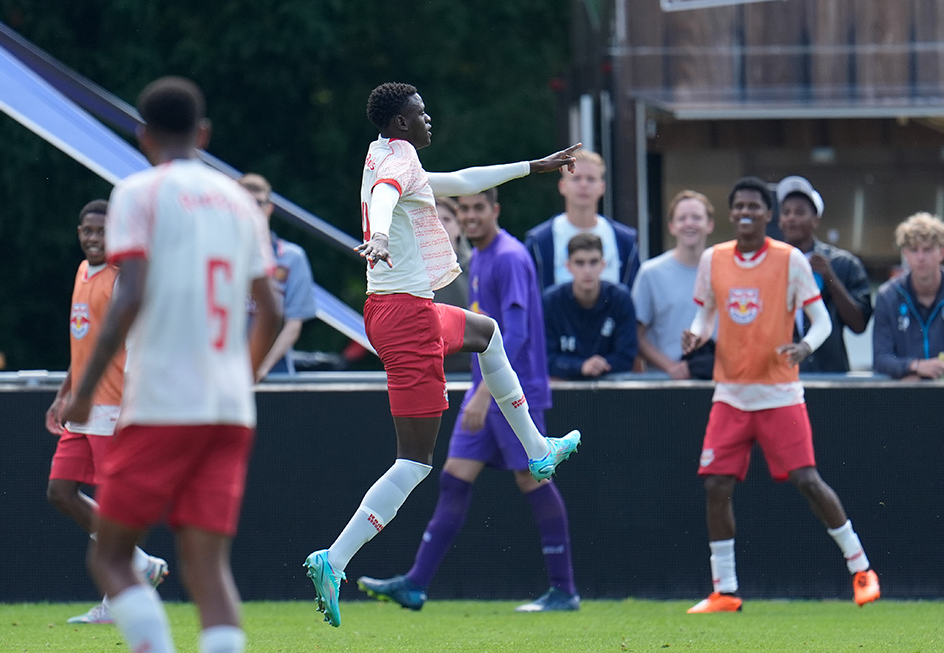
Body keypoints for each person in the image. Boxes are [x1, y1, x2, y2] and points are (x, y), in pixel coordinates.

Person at [302, 82, 582, 628]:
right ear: (402, 124)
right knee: (412, 463)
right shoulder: (396, 160)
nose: (428, 119)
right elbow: (384, 195)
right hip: (405, 318)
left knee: (486, 332)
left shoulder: (390, 153)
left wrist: (534, 166)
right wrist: (380, 235)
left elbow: (459, 181)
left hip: (401, 310)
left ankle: (538, 448)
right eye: (421, 114)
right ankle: (333, 560)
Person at [61, 76, 281, 653]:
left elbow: (129, 294)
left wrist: (82, 390)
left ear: (142, 135)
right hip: (229, 408)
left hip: (162, 399)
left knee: (110, 555)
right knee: (208, 569)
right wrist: (244, 374)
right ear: (203, 133)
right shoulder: (239, 199)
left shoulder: (137, 193)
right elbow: (273, 311)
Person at [357, 188, 579, 613]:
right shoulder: (477, 258)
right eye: (466, 209)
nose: (473, 216)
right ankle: (416, 584)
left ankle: (564, 590)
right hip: (484, 391)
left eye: (481, 208)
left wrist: (479, 395)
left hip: (509, 391)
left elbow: (514, 333)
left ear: (496, 210)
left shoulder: (509, 256)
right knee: (453, 476)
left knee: (534, 478)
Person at [681, 176, 879, 614]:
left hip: (779, 393)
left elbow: (822, 320)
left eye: (754, 206)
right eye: (739, 206)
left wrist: (805, 346)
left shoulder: (790, 260)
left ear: (768, 214)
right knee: (716, 485)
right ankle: (725, 589)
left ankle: (861, 568)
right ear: (730, 213)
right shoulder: (713, 259)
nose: (745, 213)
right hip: (730, 393)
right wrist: (696, 336)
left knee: (807, 480)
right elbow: (704, 316)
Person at [45, 199, 168, 625]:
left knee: (113, 503)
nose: (93, 238)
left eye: (101, 232)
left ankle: (119, 599)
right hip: (81, 404)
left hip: (112, 405)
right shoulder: (82, 272)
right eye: (87, 231)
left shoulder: (121, 278)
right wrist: (65, 391)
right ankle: (140, 562)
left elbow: (131, 342)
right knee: (60, 492)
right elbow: (86, 345)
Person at [776, 176, 872, 372]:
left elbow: (859, 324)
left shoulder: (843, 263)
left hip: (830, 374)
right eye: (786, 212)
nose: (791, 218)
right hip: (781, 375)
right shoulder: (769, 263)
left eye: (800, 212)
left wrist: (830, 277)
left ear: (815, 220)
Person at [237, 173, 317, 378]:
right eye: (245, 203)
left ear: (269, 208)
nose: (253, 210)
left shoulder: (291, 257)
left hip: (272, 374)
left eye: (258, 203)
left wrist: (259, 368)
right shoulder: (217, 256)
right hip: (225, 374)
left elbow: (293, 324)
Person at [524, 150, 639, 290]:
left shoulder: (624, 241)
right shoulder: (539, 242)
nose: (583, 185)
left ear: (602, 187)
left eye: (591, 179)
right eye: (576, 178)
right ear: (562, 186)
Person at [632, 190, 715, 379]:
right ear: (671, 226)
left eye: (696, 217)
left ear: (709, 225)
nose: (689, 223)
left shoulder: (726, 270)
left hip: (718, 381)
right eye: (682, 218)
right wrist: (671, 367)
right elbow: (637, 336)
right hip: (665, 383)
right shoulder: (650, 273)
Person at [872, 212, 944, 380]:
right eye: (914, 250)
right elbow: (881, 358)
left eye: (928, 249)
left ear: (942, 253)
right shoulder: (887, 296)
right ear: (905, 254)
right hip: (906, 397)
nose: (921, 257)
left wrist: (931, 372)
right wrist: (915, 366)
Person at [543, 233, 638, 380]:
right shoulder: (551, 301)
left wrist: (600, 365)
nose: (587, 270)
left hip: (612, 386)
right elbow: (545, 357)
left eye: (593, 262)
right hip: (563, 387)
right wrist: (581, 366)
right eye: (580, 263)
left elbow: (627, 354)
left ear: (603, 265)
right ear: (568, 266)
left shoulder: (620, 299)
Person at [433, 197, 472, 374]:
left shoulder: (480, 266)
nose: (440, 225)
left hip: (474, 365)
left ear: (459, 227)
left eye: (447, 219)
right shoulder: (407, 274)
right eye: (433, 219)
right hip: (429, 367)